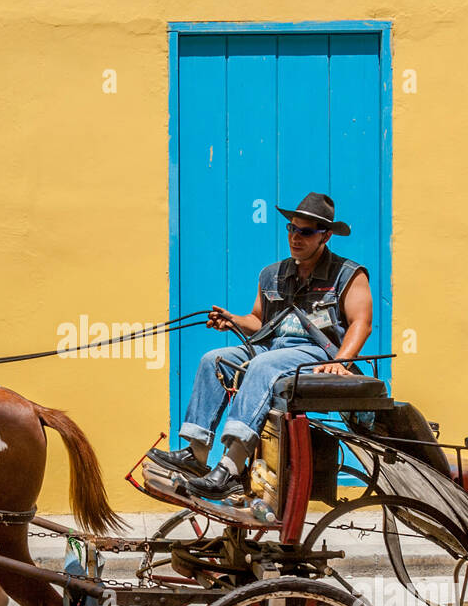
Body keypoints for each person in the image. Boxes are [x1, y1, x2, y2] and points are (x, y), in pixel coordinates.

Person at [147, 192, 373, 499]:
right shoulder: (273, 274)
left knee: (262, 365)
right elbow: (258, 320)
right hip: (275, 348)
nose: (296, 237)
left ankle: (229, 466)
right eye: (292, 229)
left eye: (306, 232)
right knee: (214, 359)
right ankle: (196, 452)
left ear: (326, 236)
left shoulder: (349, 274)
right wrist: (233, 321)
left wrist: (342, 360)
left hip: (315, 353)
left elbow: (361, 322)